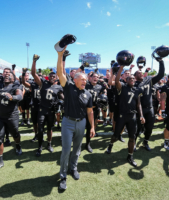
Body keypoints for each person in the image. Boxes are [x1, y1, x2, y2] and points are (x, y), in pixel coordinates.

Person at [56, 47, 94, 190]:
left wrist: (93, 127)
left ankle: (73, 168)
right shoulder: (68, 87)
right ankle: (63, 176)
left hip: (82, 123)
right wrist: (60, 55)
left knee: (77, 149)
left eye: (85, 80)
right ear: (75, 79)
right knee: (66, 150)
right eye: (82, 79)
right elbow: (60, 72)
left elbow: (90, 112)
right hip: (68, 122)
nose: (85, 81)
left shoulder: (88, 94)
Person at [105, 65, 145, 167]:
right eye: (129, 78)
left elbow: (138, 104)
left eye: (133, 78)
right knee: (116, 135)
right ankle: (110, 145)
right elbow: (117, 80)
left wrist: (141, 116)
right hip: (122, 115)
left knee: (132, 137)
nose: (132, 80)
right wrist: (121, 68)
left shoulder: (137, 90)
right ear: (126, 80)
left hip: (132, 117)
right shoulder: (122, 87)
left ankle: (130, 156)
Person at [31, 54, 63, 156]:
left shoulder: (58, 87)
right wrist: (34, 61)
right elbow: (33, 74)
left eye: (54, 76)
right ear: (47, 77)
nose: (52, 77)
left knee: (50, 128)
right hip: (42, 109)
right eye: (51, 76)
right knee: (40, 130)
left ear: (56, 77)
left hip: (51, 110)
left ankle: (49, 144)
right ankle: (40, 146)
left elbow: (62, 97)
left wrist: (65, 101)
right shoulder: (43, 83)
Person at [133, 57, 164, 151]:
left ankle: (145, 142)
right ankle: (133, 142)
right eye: (138, 73)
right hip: (139, 110)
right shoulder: (133, 84)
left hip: (150, 108)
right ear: (135, 76)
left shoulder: (148, 81)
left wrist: (161, 62)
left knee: (149, 128)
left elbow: (161, 74)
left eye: (141, 73)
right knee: (137, 129)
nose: (141, 74)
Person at [85, 72, 105, 152]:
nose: (96, 78)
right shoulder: (86, 85)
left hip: (94, 110)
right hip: (84, 110)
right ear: (90, 77)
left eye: (97, 77)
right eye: (94, 76)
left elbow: (103, 93)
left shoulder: (99, 87)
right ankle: (78, 144)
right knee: (81, 127)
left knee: (90, 127)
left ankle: (87, 144)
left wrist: (103, 97)